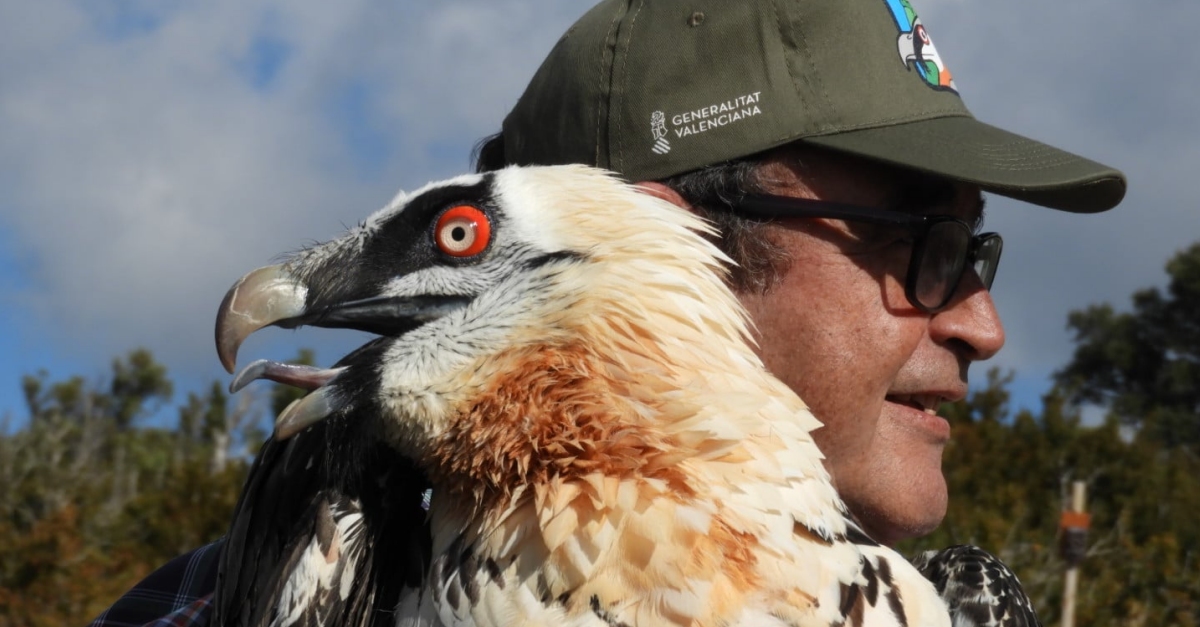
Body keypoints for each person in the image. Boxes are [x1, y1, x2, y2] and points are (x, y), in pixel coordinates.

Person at [88, 0, 1125, 624]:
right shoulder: (333, 561)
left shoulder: (939, 605)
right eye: (918, 244)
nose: (982, 326)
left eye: (972, 253)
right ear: (680, 250)